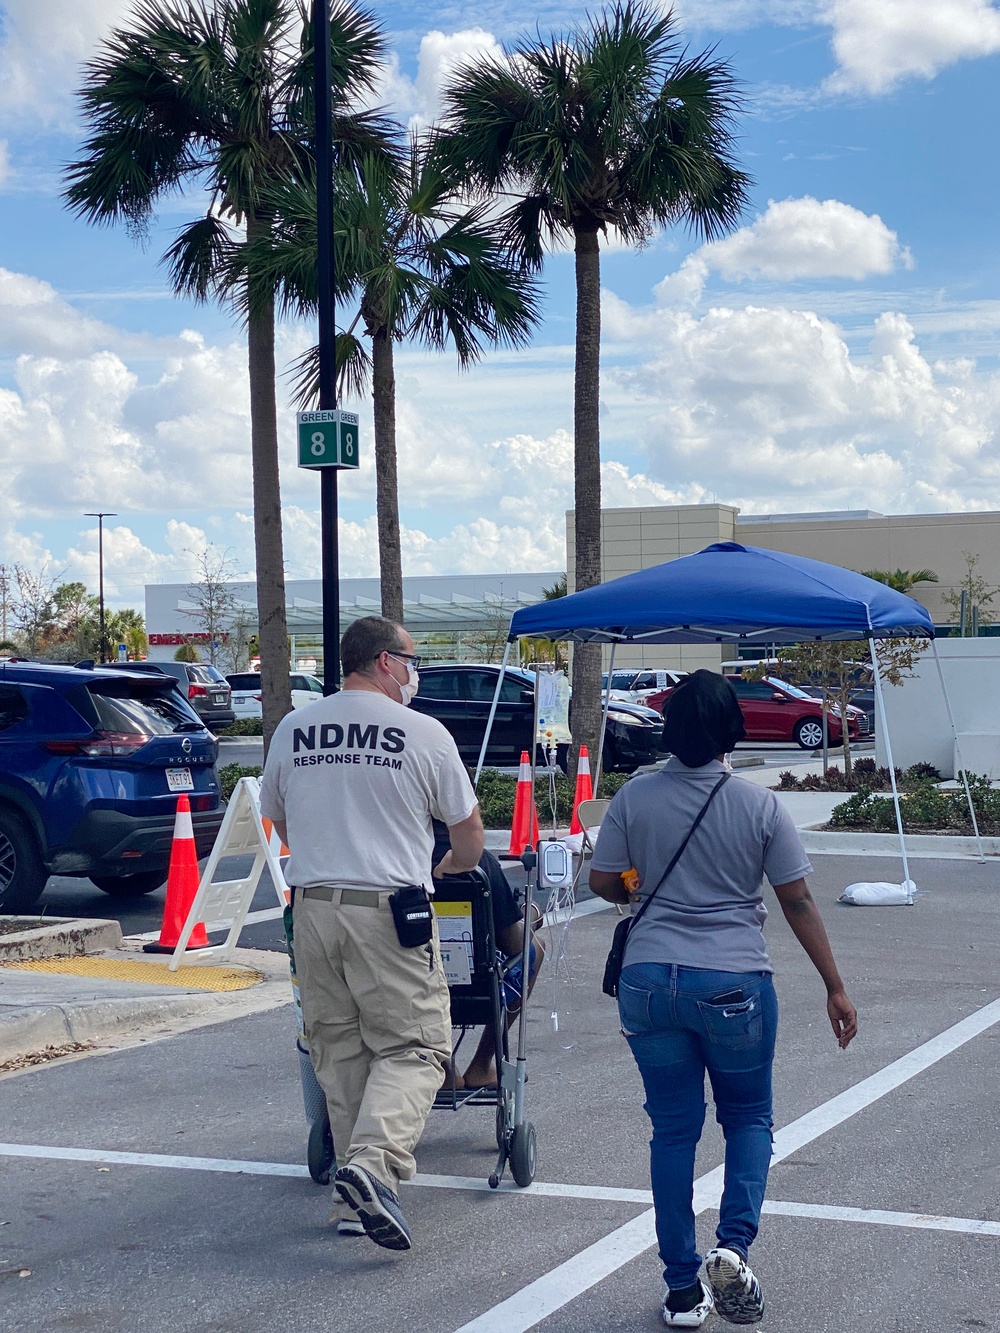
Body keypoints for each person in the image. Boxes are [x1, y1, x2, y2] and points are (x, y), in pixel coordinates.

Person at [589, 670, 857, 1328]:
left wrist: (639, 886)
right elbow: (794, 898)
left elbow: (602, 879)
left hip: (649, 983)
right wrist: (834, 984)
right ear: (732, 728)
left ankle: (682, 1288)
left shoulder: (635, 797)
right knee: (748, 1119)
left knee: (673, 1130)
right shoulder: (759, 806)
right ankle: (732, 1248)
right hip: (734, 984)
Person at [260, 616, 484, 1252]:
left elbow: (276, 814)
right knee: (416, 1047)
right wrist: (447, 867)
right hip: (389, 909)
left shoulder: (295, 728)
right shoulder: (422, 733)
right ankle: (373, 1165)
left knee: (340, 1047)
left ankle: (354, 1200)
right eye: (411, 660)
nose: (415, 673)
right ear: (384, 662)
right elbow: (467, 833)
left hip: (312, 908)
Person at [430, 820, 545, 1090]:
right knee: (535, 950)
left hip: (416, 976)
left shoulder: (403, 858)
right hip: (478, 984)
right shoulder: (480, 862)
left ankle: (445, 1066)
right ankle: (482, 1063)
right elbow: (515, 944)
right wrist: (531, 920)